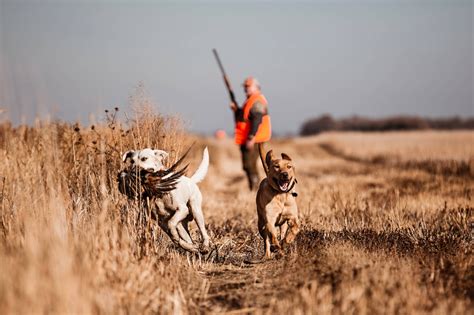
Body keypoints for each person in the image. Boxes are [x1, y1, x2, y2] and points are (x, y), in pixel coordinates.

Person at [230, 76, 272, 191]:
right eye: (245, 87)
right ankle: (254, 189)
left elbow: (257, 119)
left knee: (250, 165)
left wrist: (251, 137)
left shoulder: (257, 100)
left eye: (248, 86)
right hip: (250, 138)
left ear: (256, 87)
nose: (245, 89)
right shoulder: (250, 100)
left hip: (255, 139)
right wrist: (237, 110)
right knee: (247, 166)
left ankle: (256, 189)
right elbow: (245, 118)